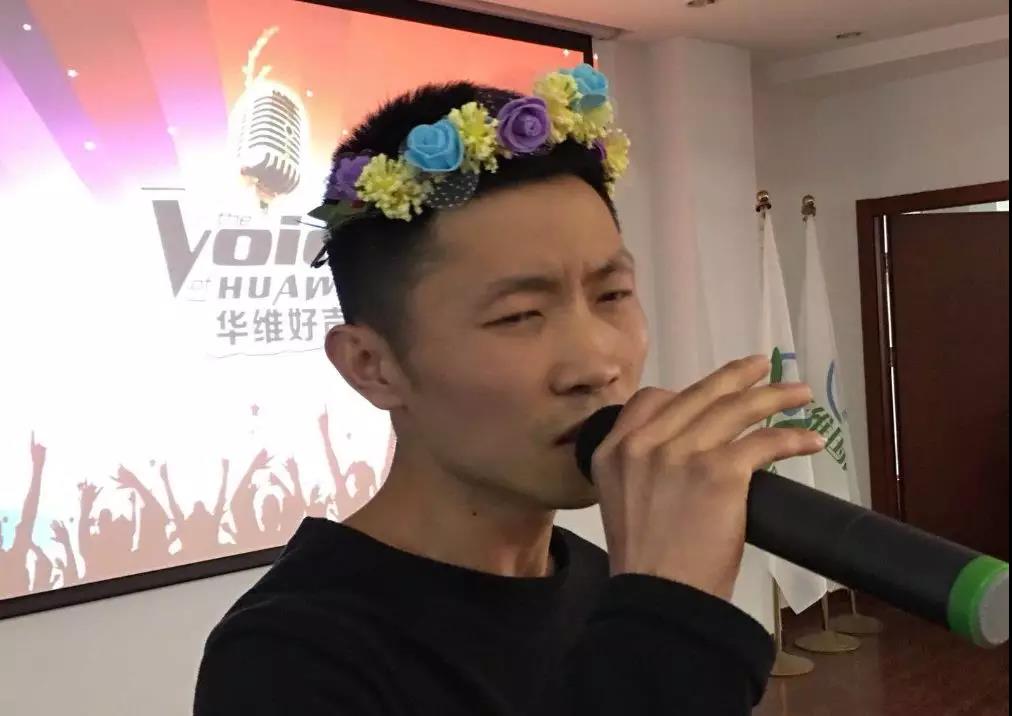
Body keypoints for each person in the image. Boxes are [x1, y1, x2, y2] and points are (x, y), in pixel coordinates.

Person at [194, 66, 824, 715]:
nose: (597, 362)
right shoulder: (287, 658)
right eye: (520, 315)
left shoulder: (602, 581)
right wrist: (667, 618)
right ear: (371, 365)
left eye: (613, 294)